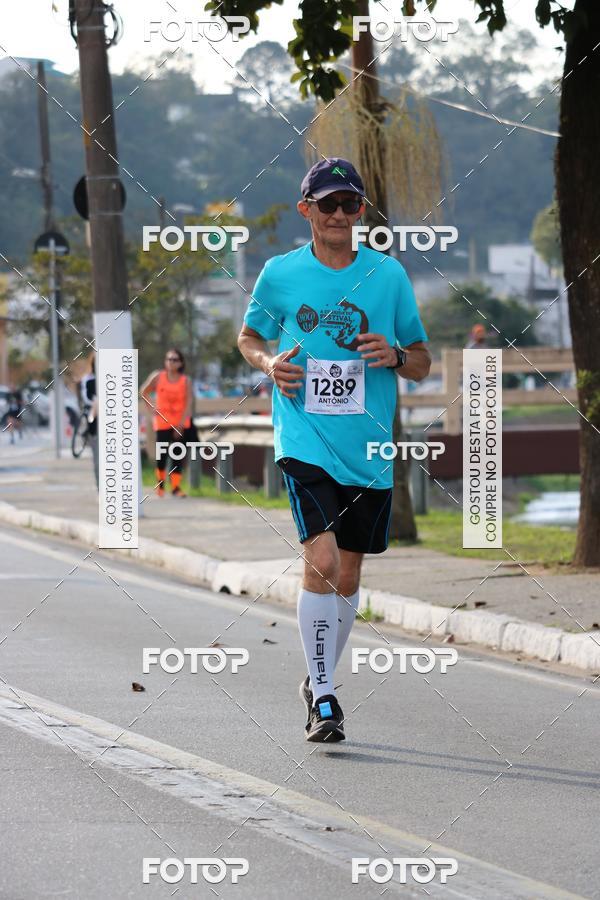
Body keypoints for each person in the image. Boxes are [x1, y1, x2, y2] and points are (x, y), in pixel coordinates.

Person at [237, 158, 431, 742]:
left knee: (348, 574)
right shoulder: (279, 273)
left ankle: (318, 677)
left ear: (361, 212)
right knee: (320, 561)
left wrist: (395, 355)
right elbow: (249, 336)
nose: (341, 215)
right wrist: (270, 363)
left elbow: (421, 361)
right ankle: (324, 696)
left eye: (351, 204)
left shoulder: (389, 277)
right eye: (329, 205)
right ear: (307, 211)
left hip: (367, 448)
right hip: (303, 437)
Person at [140, 348, 193, 497]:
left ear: (180, 363)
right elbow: (143, 392)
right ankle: (160, 485)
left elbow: (189, 402)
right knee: (162, 455)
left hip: (180, 423)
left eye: (174, 359)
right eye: (168, 359)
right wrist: (151, 409)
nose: (171, 362)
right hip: (162, 422)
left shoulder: (185, 381)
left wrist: (182, 423)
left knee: (177, 455)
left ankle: (176, 488)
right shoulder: (158, 376)